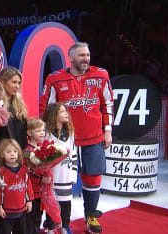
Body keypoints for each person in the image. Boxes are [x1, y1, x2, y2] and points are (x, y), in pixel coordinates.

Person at [39, 42, 114, 234]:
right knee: (57, 181)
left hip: (93, 137)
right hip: (63, 141)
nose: (86, 59)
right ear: (70, 57)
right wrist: (45, 137)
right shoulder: (55, 78)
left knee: (93, 178)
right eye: (81, 55)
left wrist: (108, 130)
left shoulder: (101, 75)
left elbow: (108, 104)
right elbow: (45, 109)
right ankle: (53, 221)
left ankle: (91, 217)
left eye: (88, 55)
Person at [42, 103, 78, 234]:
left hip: (66, 176)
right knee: (51, 204)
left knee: (66, 203)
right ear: (54, 115)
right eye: (62, 111)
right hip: (51, 176)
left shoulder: (70, 132)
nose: (66, 114)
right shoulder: (46, 133)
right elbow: (43, 155)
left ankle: (65, 226)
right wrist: (45, 174)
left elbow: (74, 153)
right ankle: (51, 228)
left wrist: (73, 174)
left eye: (66, 111)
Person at [0, 138, 34, 234]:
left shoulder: (24, 170)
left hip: (21, 210)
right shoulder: (1, 172)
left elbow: (28, 187)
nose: (12, 154)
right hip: (6, 212)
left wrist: (29, 201)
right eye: (8, 152)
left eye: (15, 151)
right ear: (2, 155)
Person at [0, 67, 28, 151]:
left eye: (19, 83)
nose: (17, 86)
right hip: (1, 153)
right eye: (14, 82)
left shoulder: (20, 105)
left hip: (19, 154)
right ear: (3, 82)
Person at [23, 117, 48, 234]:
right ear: (29, 133)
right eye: (38, 131)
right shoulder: (27, 151)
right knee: (30, 221)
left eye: (43, 130)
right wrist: (41, 178)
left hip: (40, 191)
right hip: (30, 192)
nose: (42, 133)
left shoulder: (43, 148)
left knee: (38, 218)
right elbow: (29, 170)